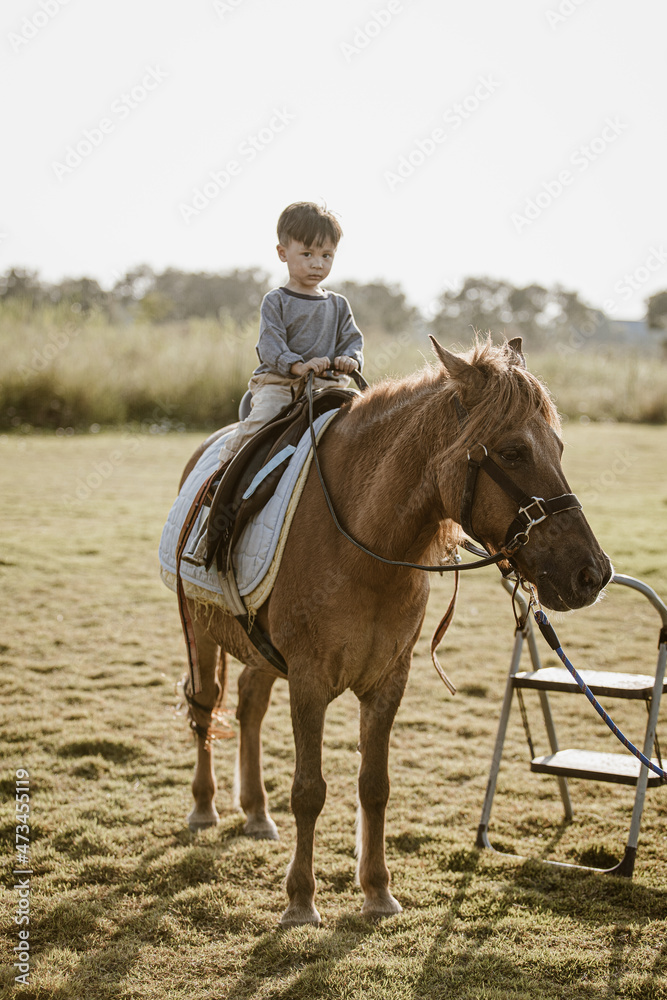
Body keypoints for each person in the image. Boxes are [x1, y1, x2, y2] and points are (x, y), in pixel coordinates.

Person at [217, 201, 364, 465]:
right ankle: (223, 472)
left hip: (327, 385)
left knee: (366, 419)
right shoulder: (276, 301)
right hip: (282, 385)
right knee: (264, 416)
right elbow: (270, 346)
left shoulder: (338, 304)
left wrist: (350, 359)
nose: (317, 264)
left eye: (326, 255)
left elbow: (352, 340)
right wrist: (298, 366)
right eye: (307, 254)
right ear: (283, 253)